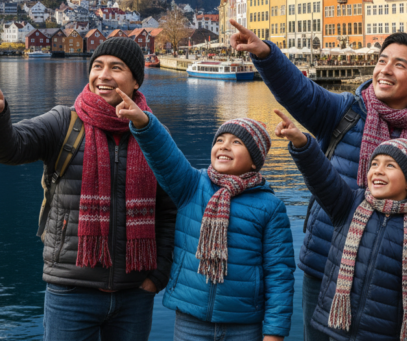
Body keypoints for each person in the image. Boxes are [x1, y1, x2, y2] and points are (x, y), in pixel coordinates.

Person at [227, 19, 407, 341]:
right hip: (325, 258)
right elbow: (300, 92)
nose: (385, 70)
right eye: (381, 60)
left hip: (389, 272)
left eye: (399, 65)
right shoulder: (346, 111)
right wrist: (265, 54)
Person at [0, 37, 177, 341]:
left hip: (133, 294)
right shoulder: (64, 122)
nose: (103, 75)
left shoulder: (153, 133)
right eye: (97, 66)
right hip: (71, 291)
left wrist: (158, 275)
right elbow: (11, 149)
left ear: (136, 80)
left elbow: (170, 209)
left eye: (116, 68)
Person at [115, 89, 295, 341]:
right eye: (220, 140)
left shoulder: (270, 206)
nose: (224, 146)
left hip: (242, 324)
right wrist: (143, 122)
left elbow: (279, 273)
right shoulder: (191, 185)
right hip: (191, 320)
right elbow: (165, 156)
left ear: (255, 160)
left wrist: (274, 332)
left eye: (237, 142)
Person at [275, 109, 407, 341]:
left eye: (390, 166)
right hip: (337, 328)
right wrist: (302, 142)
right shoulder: (349, 204)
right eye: (374, 164)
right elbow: (322, 176)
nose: (378, 171)